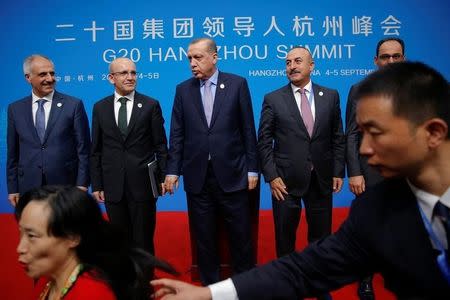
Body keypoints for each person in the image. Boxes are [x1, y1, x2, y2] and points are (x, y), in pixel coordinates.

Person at [152, 62, 450, 299]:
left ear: (434, 133)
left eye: (376, 132)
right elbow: (304, 270)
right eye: (362, 134)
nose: (363, 149)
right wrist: (209, 294)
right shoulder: (375, 212)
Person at [164, 37, 258, 285]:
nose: (192, 63)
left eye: (198, 57)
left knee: (240, 236)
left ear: (214, 57)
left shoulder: (237, 84)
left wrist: (252, 170)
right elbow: (177, 133)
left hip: (233, 174)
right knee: (204, 238)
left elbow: (248, 129)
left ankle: (244, 285)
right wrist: (172, 170)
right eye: (189, 58)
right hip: (197, 177)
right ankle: (210, 288)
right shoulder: (183, 90)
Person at [257, 46, 344, 300]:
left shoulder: (330, 95)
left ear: (311, 65)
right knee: (285, 239)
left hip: (321, 178)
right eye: (287, 62)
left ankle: (319, 285)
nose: (292, 66)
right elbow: (264, 141)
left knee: (320, 238)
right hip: (285, 181)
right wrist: (272, 176)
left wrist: (338, 169)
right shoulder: (273, 98)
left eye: (297, 61)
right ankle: (287, 286)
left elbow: (337, 137)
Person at [16, 185, 177, 300]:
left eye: (32, 236)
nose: (20, 248)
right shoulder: (51, 279)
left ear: (73, 237)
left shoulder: (92, 294)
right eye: (21, 233)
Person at [345, 37, 406, 300]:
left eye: (396, 56)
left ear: (403, 58)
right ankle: (366, 280)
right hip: (371, 171)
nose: (390, 61)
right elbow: (351, 135)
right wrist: (355, 172)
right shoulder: (359, 89)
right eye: (385, 56)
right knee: (369, 228)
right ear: (376, 60)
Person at [90, 57, 168, 256]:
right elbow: (96, 149)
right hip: (112, 186)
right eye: (124, 73)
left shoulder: (150, 105)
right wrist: (97, 184)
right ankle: (124, 283)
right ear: (111, 78)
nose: (130, 77)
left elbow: (160, 145)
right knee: (119, 241)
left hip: (143, 186)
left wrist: (162, 178)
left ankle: (145, 283)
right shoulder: (100, 108)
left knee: (143, 240)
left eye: (133, 72)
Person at [7, 54, 90, 206]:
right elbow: (13, 152)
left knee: (64, 228)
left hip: (65, 184)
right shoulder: (15, 109)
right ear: (28, 77)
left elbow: (83, 149)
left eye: (52, 73)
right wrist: (13, 188)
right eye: (43, 74)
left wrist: (82, 184)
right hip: (28, 184)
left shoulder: (73, 105)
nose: (50, 78)